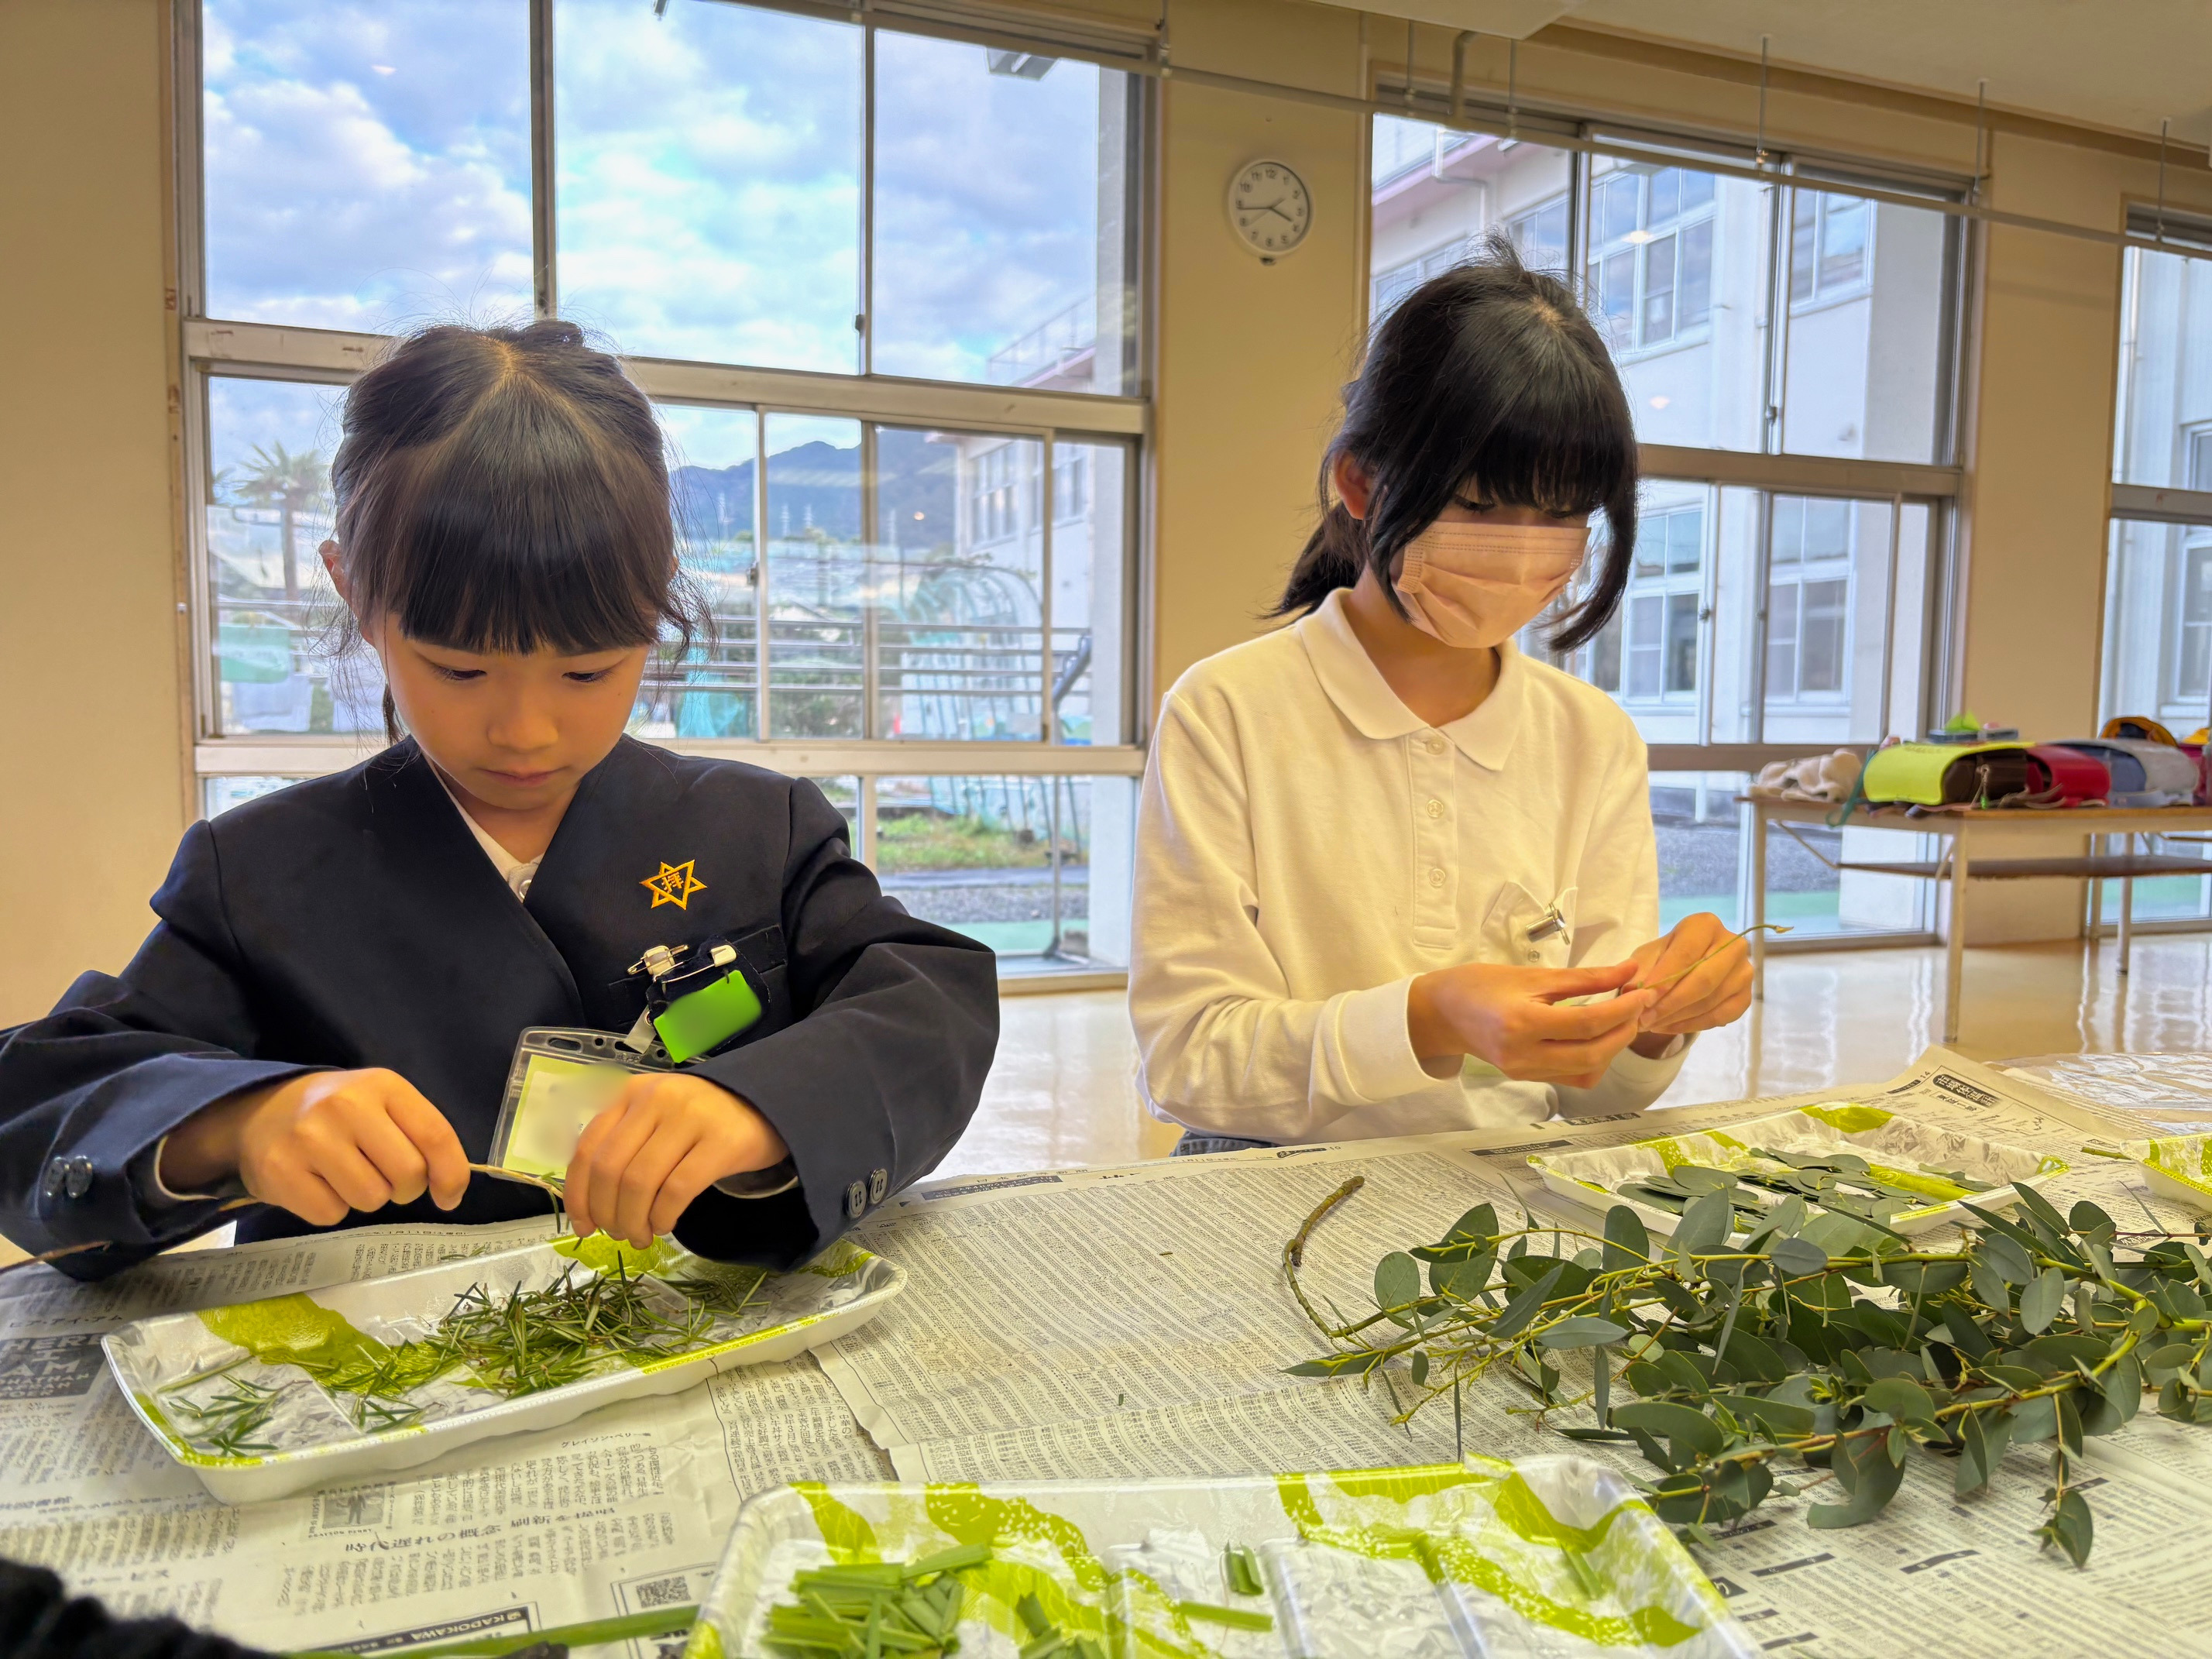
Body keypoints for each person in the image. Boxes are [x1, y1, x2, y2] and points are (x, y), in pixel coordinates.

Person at [0, 321, 998, 1278]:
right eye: (460, 672)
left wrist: (762, 1110)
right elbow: (43, 1099)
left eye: (588, 673)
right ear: (356, 595)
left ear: (657, 610)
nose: (526, 732)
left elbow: (929, 1000)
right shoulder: (260, 873)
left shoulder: (758, 830)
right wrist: (234, 1124)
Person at [1130, 240, 1752, 1154]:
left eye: (1560, 515)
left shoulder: (1590, 737)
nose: (1523, 547)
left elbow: (1596, 1102)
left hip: (1513, 1189)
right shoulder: (1228, 712)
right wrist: (1425, 1019)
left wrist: (1656, 1019)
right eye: (1482, 505)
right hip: (1265, 1184)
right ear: (1359, 483)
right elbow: (1189, 1062)